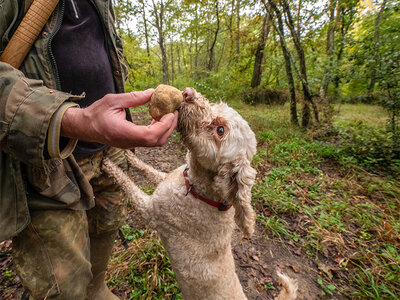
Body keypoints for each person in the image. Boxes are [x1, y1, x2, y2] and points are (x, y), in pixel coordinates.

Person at [0, 0, 178, 299]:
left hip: (109, 149)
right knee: (64, 288)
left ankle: (97, 289)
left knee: (106, 223)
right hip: (42, 164)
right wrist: (71, 119)